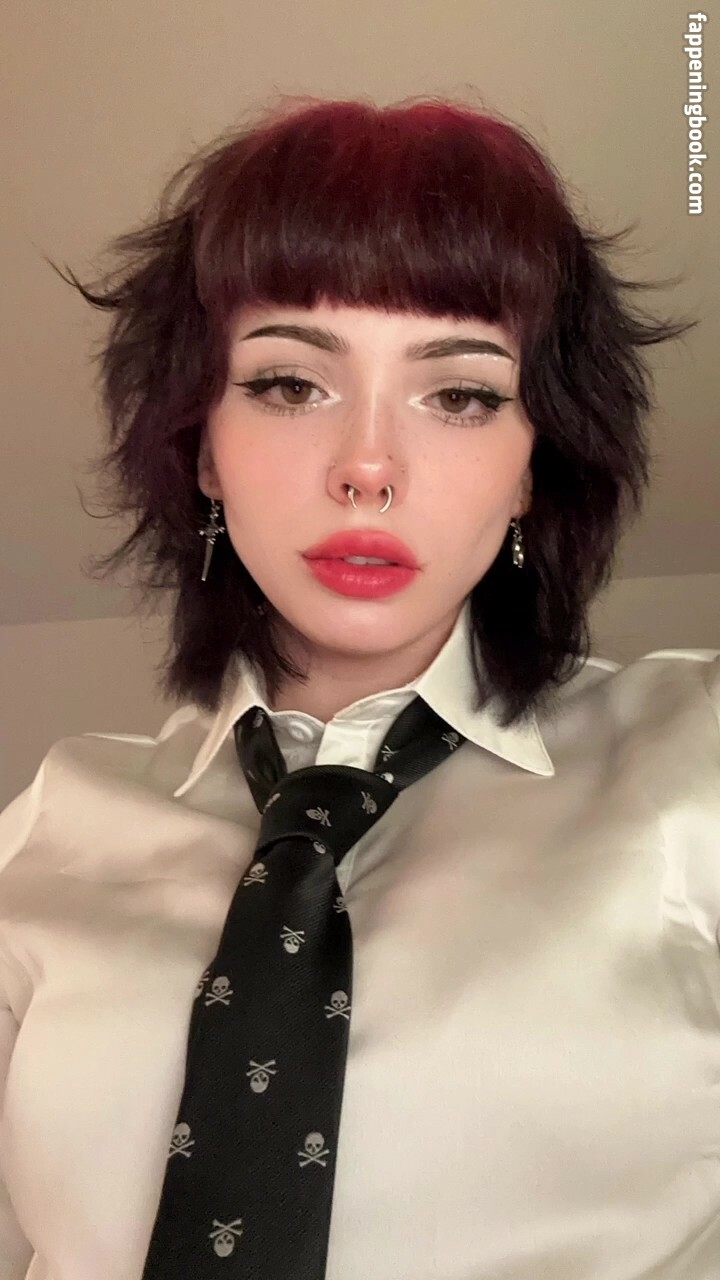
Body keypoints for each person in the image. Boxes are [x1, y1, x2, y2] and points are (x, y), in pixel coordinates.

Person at [1, 91, 718, 1280]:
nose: (369, 468)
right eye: (291, 384)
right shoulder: (45, 827)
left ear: (533, 464)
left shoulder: (696, 753)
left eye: (463, 394)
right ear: (203, 446)